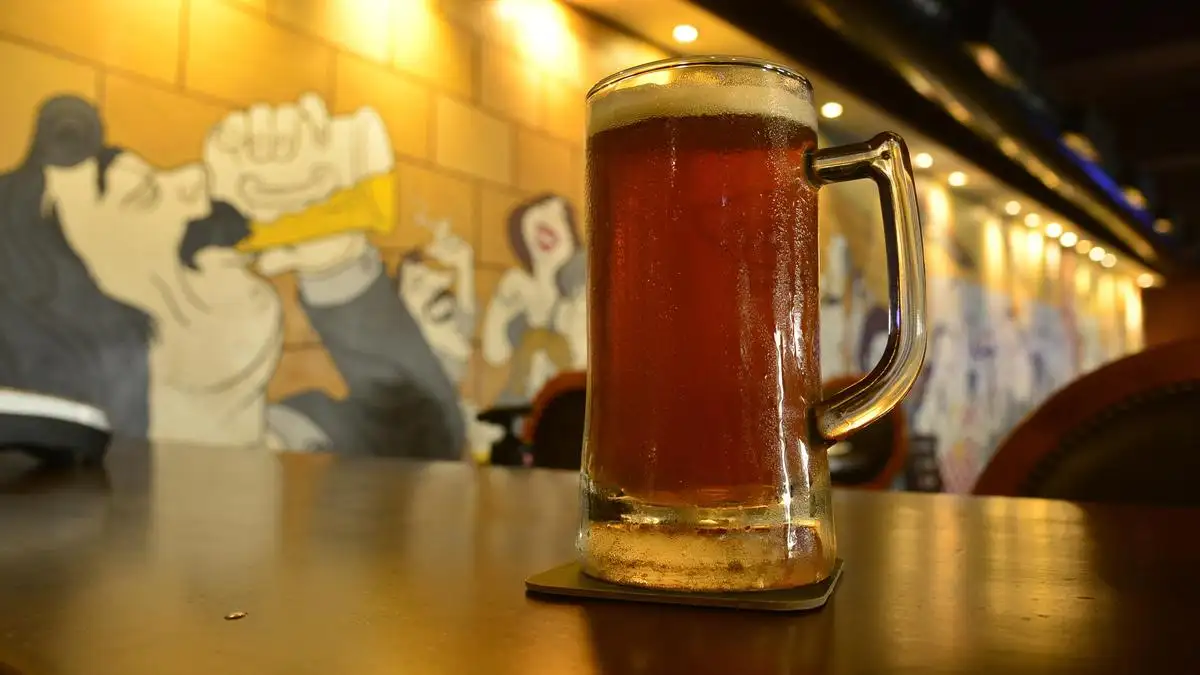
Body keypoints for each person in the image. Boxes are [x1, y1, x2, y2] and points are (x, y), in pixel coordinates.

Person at [0, 94, 463, 458]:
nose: (195, 177)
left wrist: (335, 259)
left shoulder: (308, 446)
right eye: (144, 196)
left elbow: (431, 446)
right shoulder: (84, 540)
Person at [481, 193, 586, 403]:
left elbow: (582, 357)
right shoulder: (517, 288)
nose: (550, 218)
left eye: (560, 216)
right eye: (537, 221)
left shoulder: (584, 282)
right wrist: (502, 303)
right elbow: (494, 354)